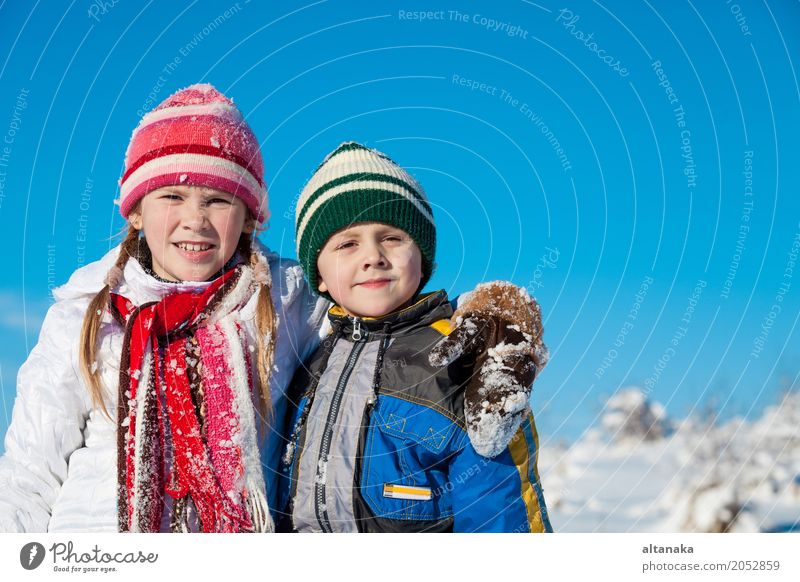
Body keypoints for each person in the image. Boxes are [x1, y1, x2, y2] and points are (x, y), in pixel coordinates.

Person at [0, 86, 542, 533]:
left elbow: (379, 314)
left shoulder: (281, 299)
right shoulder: (85, 317)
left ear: (249, 217)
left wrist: (497, 318)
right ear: (136, 211)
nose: (196, 220)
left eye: (218, 200)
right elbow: (28, 473)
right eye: (172, 197)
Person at [279, 142, 552, 532]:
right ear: (318, 274)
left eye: (391, 237)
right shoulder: (307, 361)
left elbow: (499, 511)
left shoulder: (464, 357)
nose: (372, 256)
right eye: (347, 244)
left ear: (421, 258)